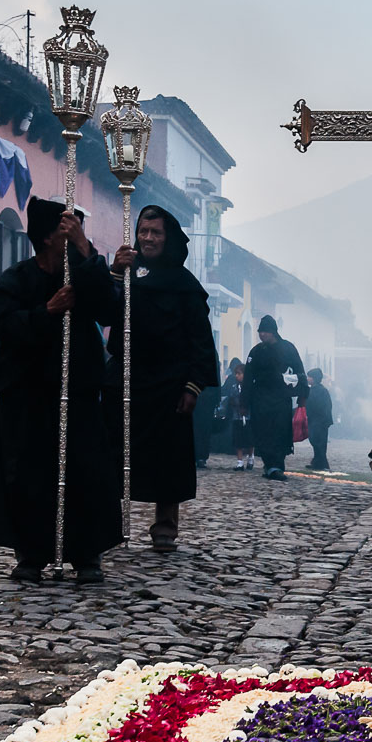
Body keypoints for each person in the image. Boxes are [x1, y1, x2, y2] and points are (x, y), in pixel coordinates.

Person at [0, 198, 121, 583]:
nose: (78, 237)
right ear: (49, 237)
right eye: (71, 231)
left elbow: (111, 311)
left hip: (76, 392)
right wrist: (46, 312)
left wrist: (86, 251)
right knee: (28, 475)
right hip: (28, 395)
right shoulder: (15, 280)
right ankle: (30, 553)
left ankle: (86, 554)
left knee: (85, 471)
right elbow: (6, 327)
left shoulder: (81, 274)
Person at [106, 205, 218, 553]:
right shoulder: (127, 275)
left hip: (170, 385)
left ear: (167, 238)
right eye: (143, 231)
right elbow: (106, 312)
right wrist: (113, 273)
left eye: (155, 232)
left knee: (167, 457)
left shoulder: (185, 286)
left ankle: (165, 525)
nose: (148, 238)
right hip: (127, 378)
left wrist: (193, 385)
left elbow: (200, 341)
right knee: (113, 451)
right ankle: (108, 523)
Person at [243, 314, 308, 482]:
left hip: (281, 397)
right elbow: (248, 378)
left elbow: (300, 372)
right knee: (263, 432)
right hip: (260, 399)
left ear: (273, 332)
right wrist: (244, 402)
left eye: (265, 331)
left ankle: (277, 465)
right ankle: (269, 464)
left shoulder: (288, 349)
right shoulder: (256, 352)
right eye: (260, 331)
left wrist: (302, 396)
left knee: (280, 431)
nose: (262, 335)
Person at [305, 368, 333, 471]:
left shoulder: (321, 391)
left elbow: (324, 406)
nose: (308, 379)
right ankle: (317, 462)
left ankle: (322, 464)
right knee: (315, 441)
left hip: (320, 420)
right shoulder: (313, 390)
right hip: (314, 420)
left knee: (320, 443)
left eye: (309, 377)